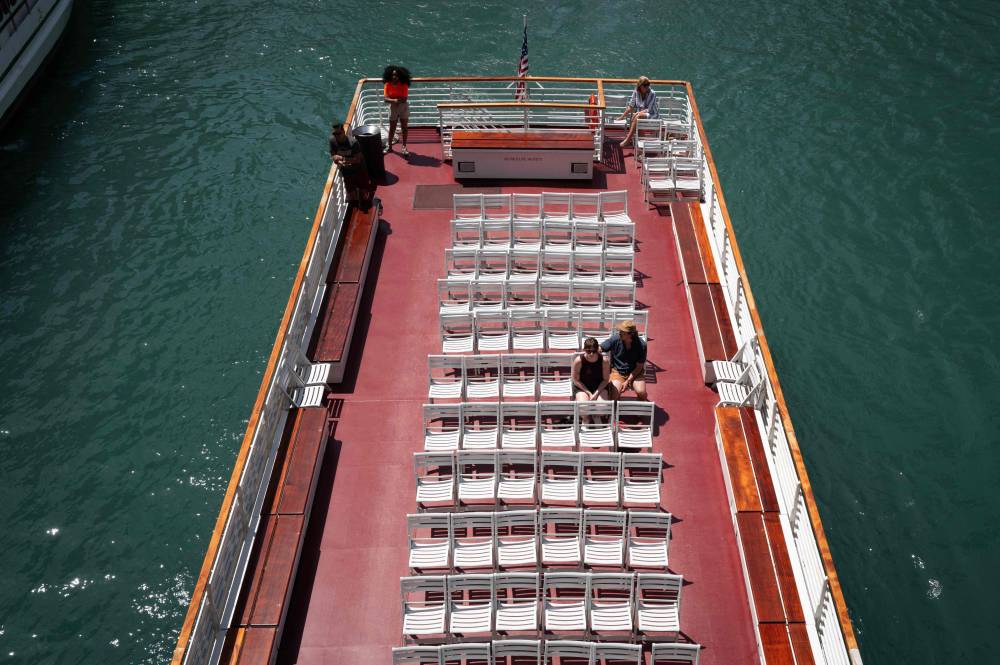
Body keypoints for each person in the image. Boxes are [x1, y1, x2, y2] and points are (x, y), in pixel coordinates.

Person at [328, 119, 373, 209]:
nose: (336, 136)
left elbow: (357, 159)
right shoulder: (332, 141)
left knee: (363, 189)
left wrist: (342, 158)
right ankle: (356, 205)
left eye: (338, 133)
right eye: (334, 134)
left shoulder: (353, 143)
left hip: (359, 169)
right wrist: (338, 161)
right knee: (350, 190)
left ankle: (366, 203)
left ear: (343, 132)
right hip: (346, 171)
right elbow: (333, 155)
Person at [601, 320, 648, 401]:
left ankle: (641, 404)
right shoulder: (615, 339)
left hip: (635, 373)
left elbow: (639, 367)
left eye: (623, 331)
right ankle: (614, 411)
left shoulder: (642, 345)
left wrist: (628, 380)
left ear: (631, 334)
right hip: (618, 371)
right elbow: (601, 348)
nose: (620, 332)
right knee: (614, 395)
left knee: (641, 392)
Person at [617, 76, 660, 148]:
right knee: (637, 117)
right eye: (645, 85)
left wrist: (637, 113)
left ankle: (628, 140)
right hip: (641, 115)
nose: (647, 87)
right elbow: (631, 106)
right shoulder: (636, 92)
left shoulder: (652, 93)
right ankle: (640, 147)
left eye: (648, 85)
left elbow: (649, 109)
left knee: (637, 116)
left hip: (652, 114)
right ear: (640, 86)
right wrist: (621, 117)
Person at [572, 337, 612, 409]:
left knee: (601, 409)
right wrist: (589, 393)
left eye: (594, 351)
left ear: (598, 350)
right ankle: (585, 418)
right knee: (584, 408)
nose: (591, 354)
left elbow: (606, 380)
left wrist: (596, 393)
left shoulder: (604, 361)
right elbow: (576, 380)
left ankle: (595, 414)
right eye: (588, 351)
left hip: (599, 386)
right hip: (583, 386)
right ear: (584, 350)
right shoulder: (578, 361)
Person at [382, 65, 411, 156]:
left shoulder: (404, 84)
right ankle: (389, 146)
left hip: (403, 107)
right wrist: (395, 100)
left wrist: (393, 99)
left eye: (396, 75)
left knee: (404, 127)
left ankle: (404, 147)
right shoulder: (387, 84)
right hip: (393, 107)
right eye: (393, 75)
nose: (394, 77)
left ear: (400, 76)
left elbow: (404, 99)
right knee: (392, 128)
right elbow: (385, 99)